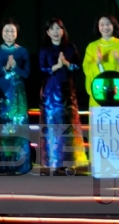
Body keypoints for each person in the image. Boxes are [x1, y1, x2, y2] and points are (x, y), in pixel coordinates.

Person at [38, 17, 87, 174]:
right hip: (51, 93)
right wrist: (55, 67)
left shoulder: (70, 48)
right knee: (53, 128)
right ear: (47, 32)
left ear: (63, 30)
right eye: (52, 29)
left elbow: (78, 67)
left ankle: (69, 163)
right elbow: (41, 69)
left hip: (68, 93)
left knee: (69, 129)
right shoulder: (44, 49)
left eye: (58, 28)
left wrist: (66, 65)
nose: (55, 32)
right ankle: (53, 162)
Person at [0, 20, 30, 175]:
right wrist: (5, 68)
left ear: (17, 33)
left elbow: (27, 73)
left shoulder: (23, 51)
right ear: (1, 33)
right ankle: (3, 166)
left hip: (18, 97)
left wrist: (15, 67)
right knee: (2, 129)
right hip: (2, 96)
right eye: (6, 31)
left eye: (12, 31)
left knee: (19, 128)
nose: (9, 34)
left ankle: (20, 166)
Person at [82, 14, 119, 107]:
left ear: (114, 25)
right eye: (102, 24)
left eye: (108, 24)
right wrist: (97, 61)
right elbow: (87, 69)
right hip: (99, 93)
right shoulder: (92, 46)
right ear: (98, 27)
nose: (105, 27)